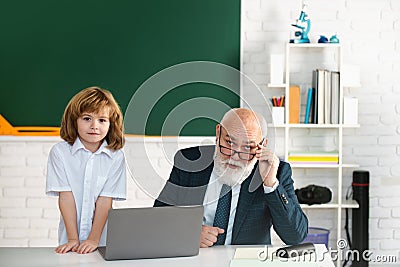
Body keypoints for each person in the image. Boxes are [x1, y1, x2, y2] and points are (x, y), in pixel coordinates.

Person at [154, 108, 308, 247]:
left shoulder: (277, 171)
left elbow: (295, 236)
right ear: (218, 133)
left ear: (262, 145)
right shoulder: (189, 160)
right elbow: (158, 217)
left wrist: (270, 184)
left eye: (248, 147)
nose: (235, 156)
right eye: (229, 143)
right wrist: (188, 233)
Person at [46, 87, 126, 254]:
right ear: (74, 120)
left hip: (103, 239)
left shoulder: (116, 157)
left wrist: (93, 239)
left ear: (111, 124)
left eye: (102, 120)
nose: (94, 126)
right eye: (87, 118)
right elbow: (66, 198)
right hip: (69, 237)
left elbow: (105, 201)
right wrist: (73, 239)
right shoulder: (60, 153)